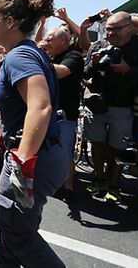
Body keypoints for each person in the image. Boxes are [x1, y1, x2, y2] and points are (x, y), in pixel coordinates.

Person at [0, 0, 68, 268]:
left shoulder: (18, 56)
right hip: (43, 153)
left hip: (32, 158)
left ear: (11, 22)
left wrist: (22, 165)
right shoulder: (30, 52)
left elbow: (40, 107)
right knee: (12, 226)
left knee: (18, 232)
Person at [84, 12, 138, 203]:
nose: (110, 33)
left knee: (118, 147)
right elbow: (86, 72)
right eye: (108, 29)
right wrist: (96, 62)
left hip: (124, 106)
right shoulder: (99, 45)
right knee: (96, 143)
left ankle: (114, 185)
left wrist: (128, 69)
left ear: (129, 28)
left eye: (115, 29)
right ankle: (99, 179)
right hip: (98, 104)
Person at [40, 27, 84, 203]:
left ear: (64, 41)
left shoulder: (73, 56)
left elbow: (61, 72)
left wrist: (39, 56)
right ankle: (56, 183)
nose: (46, 43)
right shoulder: (51, 58)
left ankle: (69, 186)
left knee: (65, 152)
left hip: (66, 115)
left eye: (50, 40)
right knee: (51, 151)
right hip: (50, 114)